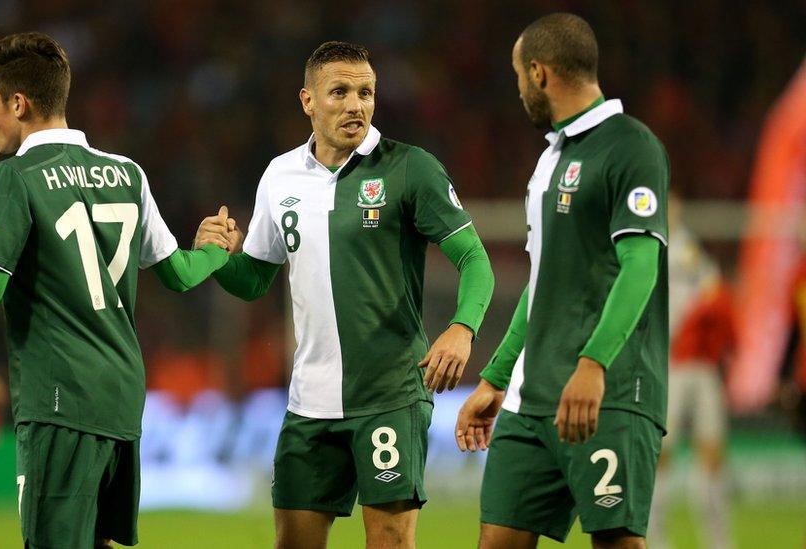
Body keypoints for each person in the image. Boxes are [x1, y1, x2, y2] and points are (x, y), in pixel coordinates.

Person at [0, 32, 233, 548]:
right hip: (122, 399)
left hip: (59, 399)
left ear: (19, 103)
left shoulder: (16, 176)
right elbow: (181, 274)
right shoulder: (128, 173)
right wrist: (215, 251)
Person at [198, 41, 495, 549]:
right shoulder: (280, 176)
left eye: (365, 92)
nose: (355, 104)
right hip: (308, 403)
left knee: (389, 543)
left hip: (389, 396)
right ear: (308, 101)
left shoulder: (409, 168)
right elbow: (254, 280)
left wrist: (462, 329)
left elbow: (475, 260)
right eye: (339, 92)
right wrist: (220, 258)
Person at [455, 13, 669, 549]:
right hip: (532, 402)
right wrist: (497, 376)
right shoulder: (551, 158)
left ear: (539, 72)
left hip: (610, 392)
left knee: (617, 542)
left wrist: (593, 365)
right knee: (496, 540)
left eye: (518, 77)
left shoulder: (631, 146)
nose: (520, 89)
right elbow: (544, 279)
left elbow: (641, 265)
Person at [649, 196, 734, 549]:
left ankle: (719, 542)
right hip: (668, 365)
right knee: (661, 456)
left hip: (699, 365)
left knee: (711, 453)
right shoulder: (645, 247)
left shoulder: (689, 250)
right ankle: (655, 538)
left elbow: (717, 295)